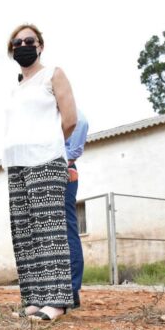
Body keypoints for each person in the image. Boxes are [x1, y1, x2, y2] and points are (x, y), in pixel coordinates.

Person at [3, 24, 78, 321]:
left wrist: (47, 143)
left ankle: (57, 301)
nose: (23, 45)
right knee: (25, 232)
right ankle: (34, 298)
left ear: (40, 45)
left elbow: (70, 119)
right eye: (17, 42)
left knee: (50, 231)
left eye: (29, 40)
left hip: (45, 160)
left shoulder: (53, 74)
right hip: (16, 164)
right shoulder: (16, 87)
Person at [65, 111, 89, 308]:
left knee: (67, 227)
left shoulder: (73, 115)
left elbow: (81, 122)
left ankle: (72, 289)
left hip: (63, 171)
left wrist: (65, 163)